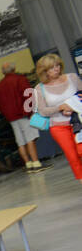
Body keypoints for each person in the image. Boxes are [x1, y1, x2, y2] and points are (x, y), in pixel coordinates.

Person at [33, 53, 82, 184]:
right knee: (72, 156)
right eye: (51, 67)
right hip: (59, 127)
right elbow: (43, 111)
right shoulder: (39, 88)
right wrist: (61, 107)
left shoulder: (72, 78)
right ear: (44, 72)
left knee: (81, 150)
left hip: (79, 122)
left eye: (58, 65)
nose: (56, 69)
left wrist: (73, 106)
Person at [0, 61, 45, 172]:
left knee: (20, 141)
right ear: (14, 68)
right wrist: (31, 112)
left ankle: (28, 164)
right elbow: (29, 95)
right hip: (24, 115)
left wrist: (8, 116)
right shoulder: (20, 79)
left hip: (12, 119)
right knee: (30, 138)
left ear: (3, 72)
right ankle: (36, 163)